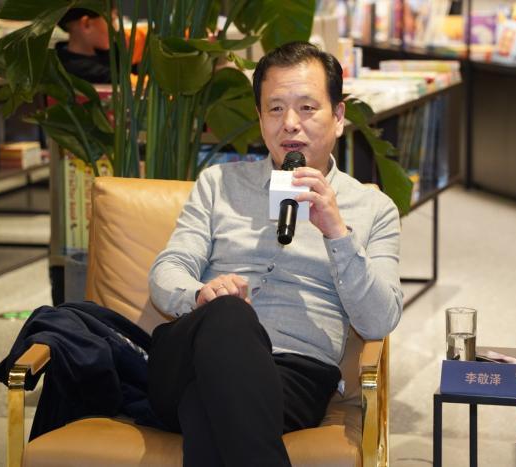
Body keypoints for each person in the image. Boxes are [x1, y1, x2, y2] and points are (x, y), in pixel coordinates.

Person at [147, 41, 403, 467]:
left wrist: (337, 233)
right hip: (192, 354)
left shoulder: (373, 208)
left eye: (307, 108)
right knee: (230, 314)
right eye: (275, 109)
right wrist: (200, 295)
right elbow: (168, 269)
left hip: (296, 374)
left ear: (338, 117)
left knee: (204, 406)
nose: (290, 124)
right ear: (260, 117)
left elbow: (378, 320)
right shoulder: (218, 184)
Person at [55, 8, 113, 83]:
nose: (116, 28)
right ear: (86, 24)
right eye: (112, 20)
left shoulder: (107, 53)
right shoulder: (75, 68)